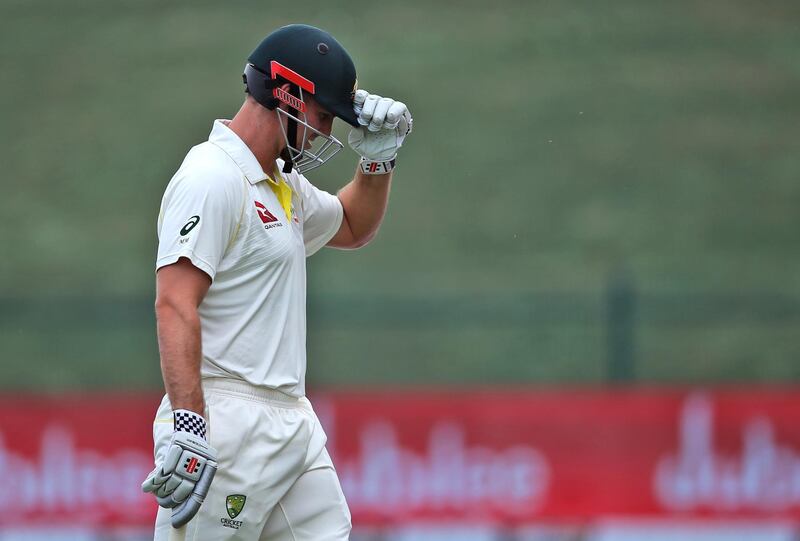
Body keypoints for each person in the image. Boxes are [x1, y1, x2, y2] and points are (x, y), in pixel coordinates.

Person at [141, 23, 412, 540]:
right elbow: (175, 303)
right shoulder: (211, 176)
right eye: (324, 115)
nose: (328, 134)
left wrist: (378, 158)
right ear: (286, 92)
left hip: (292, 420)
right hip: (224, 419)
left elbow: (353, 226)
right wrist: (190, 425)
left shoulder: (281, 184)